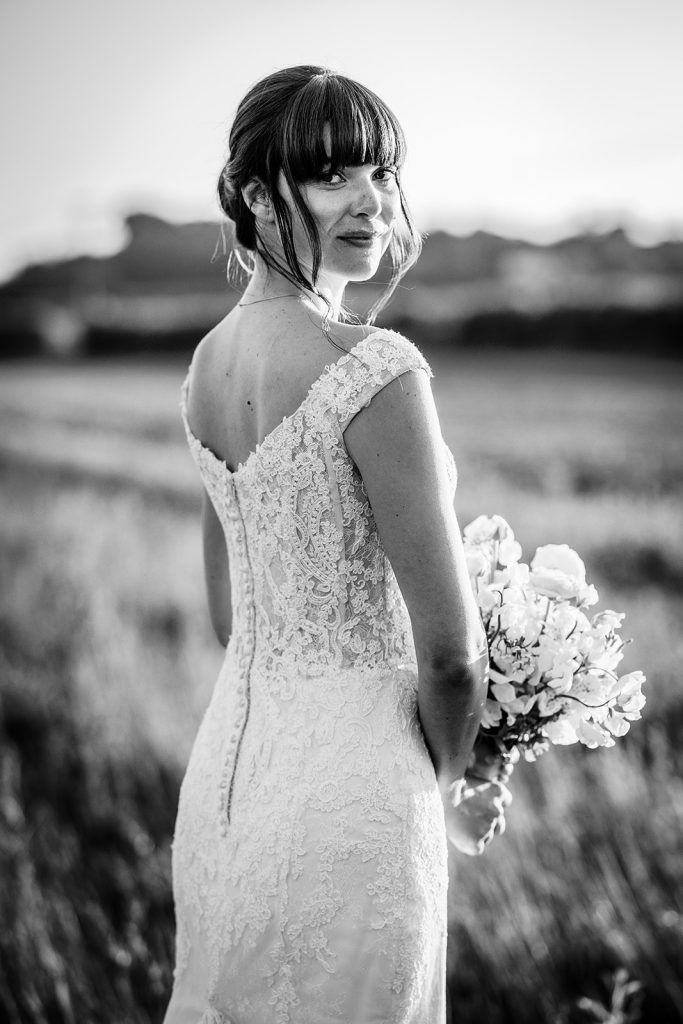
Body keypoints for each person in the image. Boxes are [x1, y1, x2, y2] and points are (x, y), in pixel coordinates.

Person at [165, 65, 512, 1024]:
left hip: (229, 794)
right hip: (358, 809)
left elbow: (231, 614)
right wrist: (454, 779)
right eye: (331, 177)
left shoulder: (205, 368)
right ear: (250, 195)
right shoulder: (376, 370)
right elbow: (449, 658)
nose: (371, 203)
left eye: (383, 173)